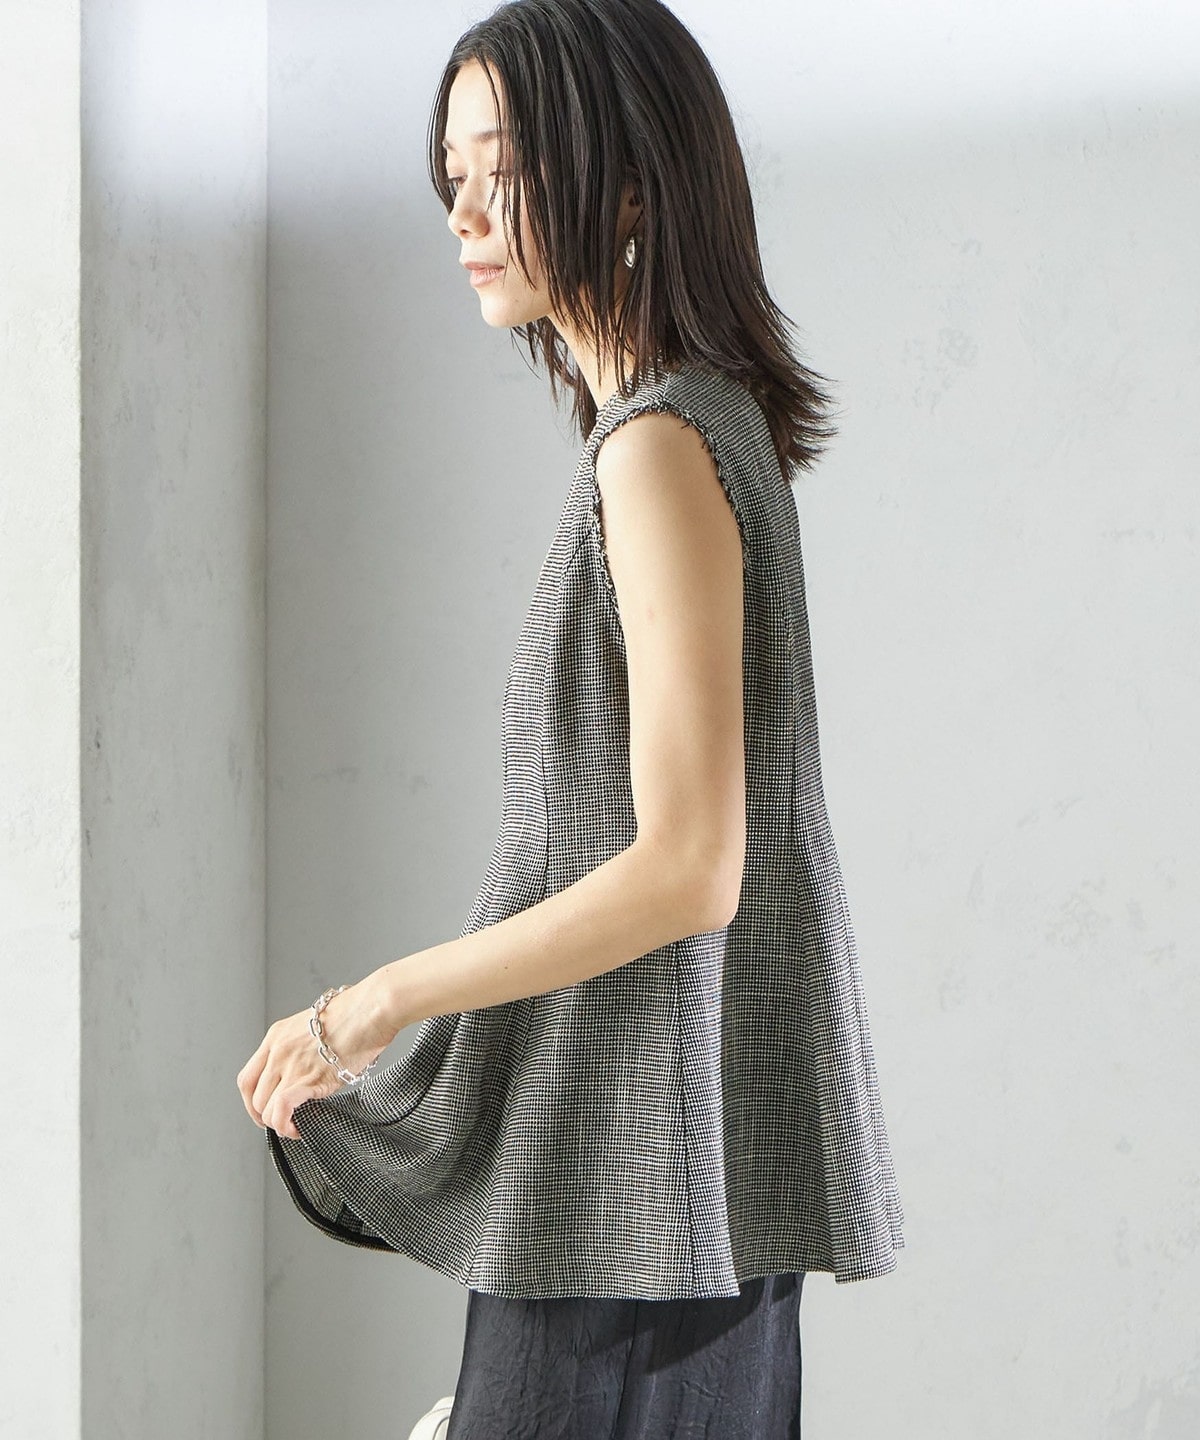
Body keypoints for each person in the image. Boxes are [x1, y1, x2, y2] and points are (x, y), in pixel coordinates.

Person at [236, 1, 905, 1435]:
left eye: (506, 168)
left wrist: (374, 1003)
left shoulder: (659, 449)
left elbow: (690, 867)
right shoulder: (697, 428)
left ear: (631, 185)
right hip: (680, 1178)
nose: (465, 212)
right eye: (453, 173)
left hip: (626, 1181)